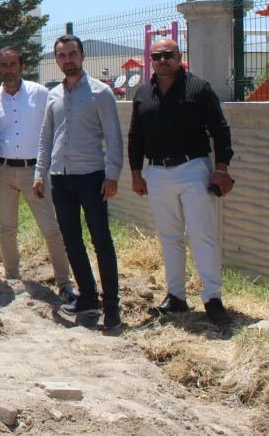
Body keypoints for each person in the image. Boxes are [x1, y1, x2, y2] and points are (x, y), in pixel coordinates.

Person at [129, 38, 234, 325]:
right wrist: (136, 173)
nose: (163, 60)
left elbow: (220, 129)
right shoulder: (143, 93)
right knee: (170, 236)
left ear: (179, 56)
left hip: (193, 168)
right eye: (157, 56)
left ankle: (212, 298)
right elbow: (135, 137)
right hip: (157, 173)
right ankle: (176, 296)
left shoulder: (198, 88)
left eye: (168, 55)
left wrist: (221, 169)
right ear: (151, 60)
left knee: (202, 234)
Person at [34, 35, 125, 330]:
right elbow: (46, 137)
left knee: (101, 240)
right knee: (71, 239)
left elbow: (113, 137)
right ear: (57, 60)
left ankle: (111, 305)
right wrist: (40, 172)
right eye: (62, 56)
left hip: (92, 178)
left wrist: (112, 175)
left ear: (83, 56)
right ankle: (87, 296)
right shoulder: (53, 95)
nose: (67, 59)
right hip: (61, 178)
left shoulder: (101, 93)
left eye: (72, 54)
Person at [0, 46, 77, 303]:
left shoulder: (40, 94)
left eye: (13, 64)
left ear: (22, 67)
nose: (8, 70)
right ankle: (12, 278)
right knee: (7, 228)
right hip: (1, 170)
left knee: (51, 228)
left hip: (35, 171)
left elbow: (54, 129)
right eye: (4, 65)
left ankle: (65, 283)